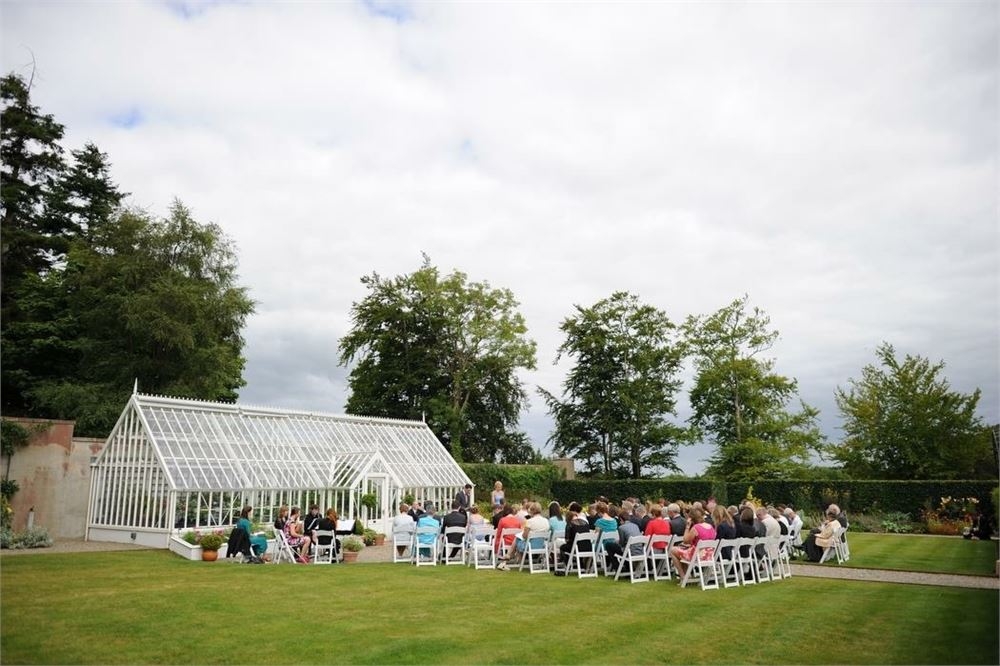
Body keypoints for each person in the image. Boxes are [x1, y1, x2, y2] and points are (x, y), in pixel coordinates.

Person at [497, 502, 548, 571]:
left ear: (532, 511)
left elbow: (524, 536)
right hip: (542, 545)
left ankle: (509, 556)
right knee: (518, 539)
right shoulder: (546, 521)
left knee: (517, 538)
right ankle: (511, 557)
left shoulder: (530, 521)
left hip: (530, 546)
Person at [669, 507, 717, 580]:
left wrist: (687, 527)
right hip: (709, 555)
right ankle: (687, 575)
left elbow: (685, 540)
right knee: (682, 552)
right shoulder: (710, 526)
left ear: (691, 518)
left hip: (697, 556)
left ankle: (683, 576)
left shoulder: (696, 528)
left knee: (672, 550)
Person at [559, 502, 592, 566]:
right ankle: (580, 564)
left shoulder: (570, 524)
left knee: (563, 547)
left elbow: (567, 540)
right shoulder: (585, 523)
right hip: (588, 547)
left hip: (577, 547)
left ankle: (567, 564)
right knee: (576, 544)